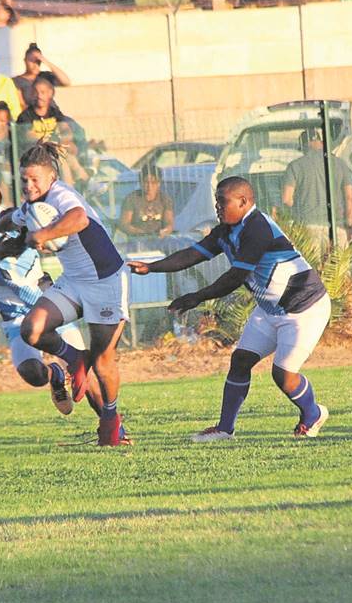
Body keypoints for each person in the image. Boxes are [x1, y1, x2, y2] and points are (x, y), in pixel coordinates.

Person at [129, 177, 330, 441]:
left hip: (304, 308)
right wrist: (151, 267)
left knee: (283, 375)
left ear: (243, 202)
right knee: (240, 361)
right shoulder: (226, 230)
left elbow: (235, 278)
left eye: (223, 202)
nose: (218, 207)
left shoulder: (258, 228)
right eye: (216, 202)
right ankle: (225, 429)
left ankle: (313, 413)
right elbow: (192, 254)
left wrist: (197, 297)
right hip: (270, 310)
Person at [0, 140, 130, 446]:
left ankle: (111, 423)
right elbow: (12, 218)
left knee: (103, 361)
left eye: (34, 179)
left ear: (51, 177)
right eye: (23, 180)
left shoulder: (60, 195)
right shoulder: (32, 206)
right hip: (74, 281)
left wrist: (43, 234)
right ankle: (75, 358)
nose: (28, 185)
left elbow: (79, 218)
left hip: (105, 281)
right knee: (32, 329)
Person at [0, 171, 102, 412]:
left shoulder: (17, 216)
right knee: (33, 374)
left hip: (47, 303)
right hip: (15, 315)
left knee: (83, 370)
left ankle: (109, 425)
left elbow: (45, 237)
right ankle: (54, 375)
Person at [280, 127, 352, 243]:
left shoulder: (295, 166)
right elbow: (349, 198)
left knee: (310, 256)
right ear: (321, 142)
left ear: (305, 145)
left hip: (307, 227)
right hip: (337, 228)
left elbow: (286, 199)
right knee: (337, 255)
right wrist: (349, 225)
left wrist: (298, 212)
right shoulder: (340, 164)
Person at [119, 166, 176, 244]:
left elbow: (169, 222)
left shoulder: (165, 200)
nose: (149, 186)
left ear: (159, 183)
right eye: (146, 182)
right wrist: (139, 232)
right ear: (140, 182)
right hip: (137, 241)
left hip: (160, 240)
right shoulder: (131, 199)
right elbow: (124, 224)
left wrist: (166, 230)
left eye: (153, 182)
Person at [13, 42, 72, 111]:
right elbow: (22, 105)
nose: (35, 64)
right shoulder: (17, 81)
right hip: (33, 115)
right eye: (31, 61)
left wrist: (46, 61)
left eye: (38, 61)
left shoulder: (45, 76)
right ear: (25, 61)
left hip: (53, 113)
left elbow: (66, 82)